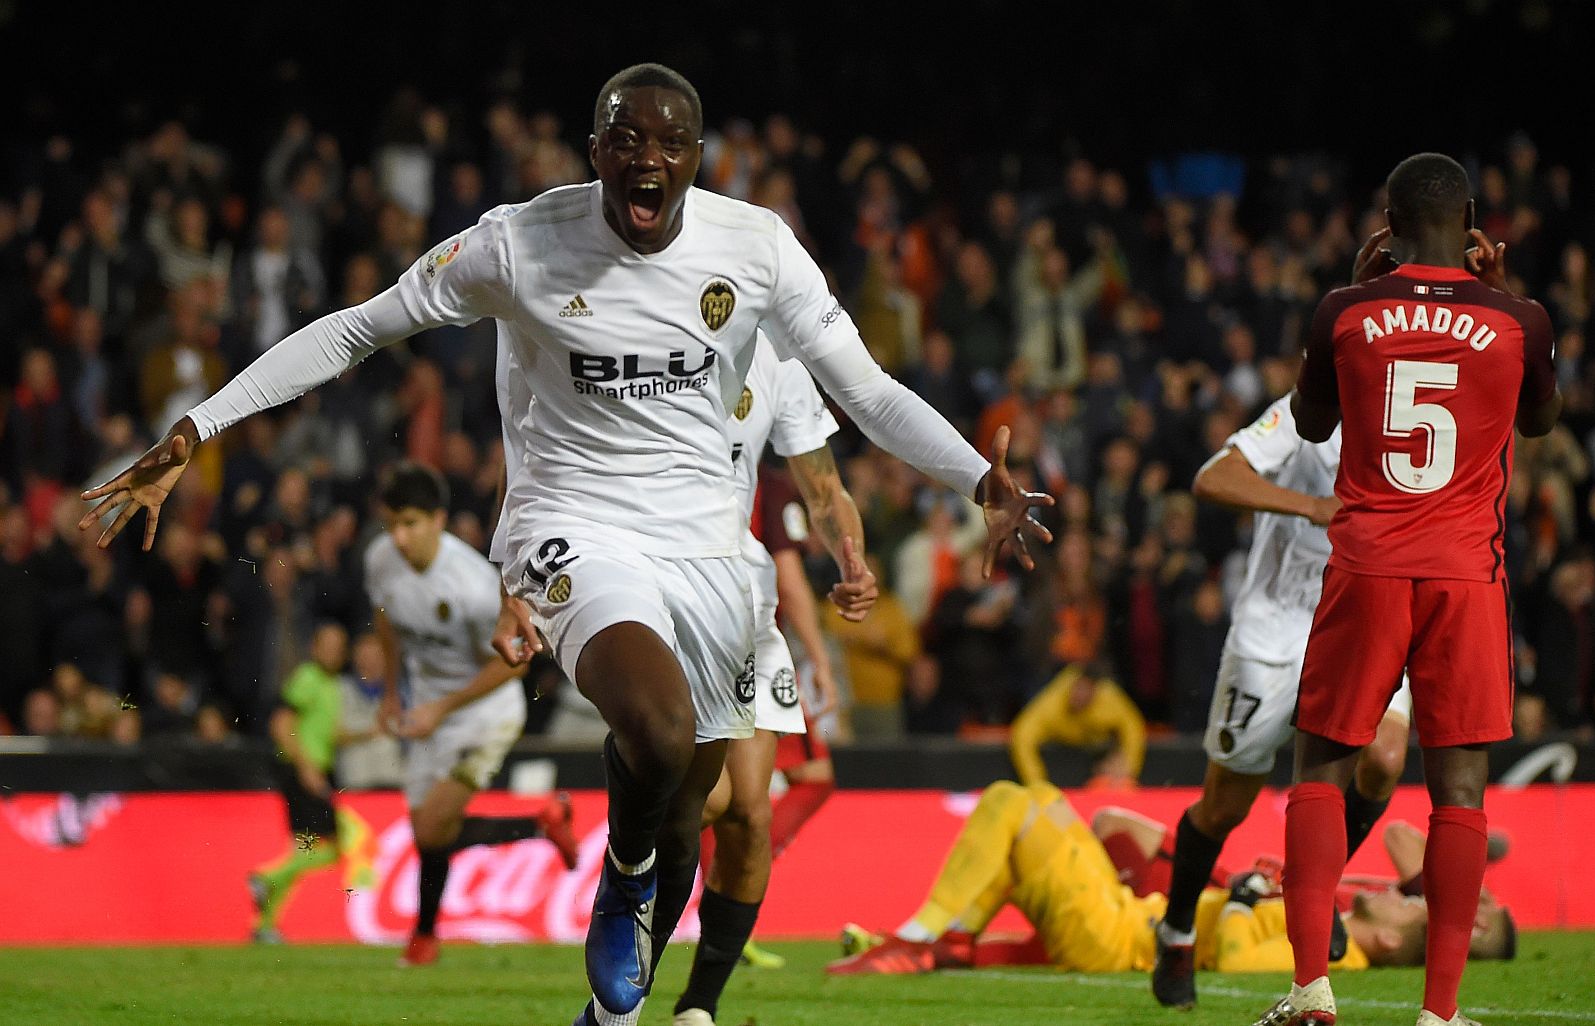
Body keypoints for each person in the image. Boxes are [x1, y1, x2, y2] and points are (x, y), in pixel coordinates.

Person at [80, 63, 1050, 1026]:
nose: (648, 160)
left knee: (686, 819)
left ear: (696, 159)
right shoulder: (517, 243)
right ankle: (619, 882)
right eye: (626, 140)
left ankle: (615, 1014)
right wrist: (196, 430)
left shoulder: (755, 250)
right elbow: (355, 331)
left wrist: (977, 479)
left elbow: (869, 391)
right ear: (597, 153)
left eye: (670, 144)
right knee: (659, 731)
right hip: (570, 527)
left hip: (710, 553)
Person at [1262, 153, 1560, 1026]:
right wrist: (1503, 294)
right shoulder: (1520, 320)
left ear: (1385, 227)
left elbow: (1312, 422)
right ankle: (1439, 1014)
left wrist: (1351, 296)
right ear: (1472, 225)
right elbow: (1539, 420)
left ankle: (1312, 990)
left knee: (1322, 765)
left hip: (1366, 564)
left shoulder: (1345, 311)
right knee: (1459, 788)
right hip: (1467, 575)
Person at [1151, 392, 1416, 1009]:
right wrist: (1312, 506)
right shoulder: (1310, 411)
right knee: (1224, 804)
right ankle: (1178, 929)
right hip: (1274, 631)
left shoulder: (1413, 408)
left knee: (1384, 757)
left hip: (1359, 621)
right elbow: (1214, 477)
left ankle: (1310, 887)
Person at [671, 332, 866, 1026]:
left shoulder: (778, 379)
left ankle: (699, 1004)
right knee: (712, 801)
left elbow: (825, 494)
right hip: (669, 604)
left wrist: (853, 562)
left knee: (750, 813)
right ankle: (634, 910)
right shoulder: (653, 349)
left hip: (751, 617)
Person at [825, 781, 1423, 979]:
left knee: (1014, 803)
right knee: (1034, 800)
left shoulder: (1342, 961)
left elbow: (1240, 962)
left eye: (1407, 909)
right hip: (1125, 917)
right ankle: (943, 945)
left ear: (1393, 942)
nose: (1397, 896)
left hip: (1119, 939)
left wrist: (1240, 902)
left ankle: (923, 936)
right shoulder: (1336, 921)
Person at [365, 463, 578, 967]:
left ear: (439, 519)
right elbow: (386, 622)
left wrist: (442, 707)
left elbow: (514, 667)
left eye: (411, 523)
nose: (399, 537)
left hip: (485, 710)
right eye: (391, 524)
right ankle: (426, 936)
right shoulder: (379, 560)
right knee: (428, 829)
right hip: (428, 708)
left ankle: (424, 935)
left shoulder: (475, 586)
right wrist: (393, 694)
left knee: (433, 826)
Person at [1091, 807, 1517, 963]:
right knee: (1111, 825)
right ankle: (1120, 908)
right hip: (1242, 883)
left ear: (1477, 928)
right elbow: (1397, 833)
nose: (1482, 898)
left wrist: (1464, 878)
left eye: (1486, 906)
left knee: (1112, 827)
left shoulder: (1410, 917)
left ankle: (1125, 912)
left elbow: (1400, 838)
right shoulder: (1407, 904)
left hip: (1233, 899)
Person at [248, 622, 358, 943]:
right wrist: (306, 767)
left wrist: (374, 731)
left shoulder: (329, 684)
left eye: (339, 647)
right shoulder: (308, 679)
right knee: (335, 847)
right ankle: (266, 877)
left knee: (300, 851)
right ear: (314, 647)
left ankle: (265, 926)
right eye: (328, 645)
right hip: (302, 772)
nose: (334, 652)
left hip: (308, 770)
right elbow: (281, 724)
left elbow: (330, 734)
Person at [1009, 663, 1146, 788]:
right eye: (1078, 688)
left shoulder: (1108, 698)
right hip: (1061, 753)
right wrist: (1037, 783)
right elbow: (1022, 737)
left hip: (1100, 753)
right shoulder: (1051, 704)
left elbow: (1133, 727)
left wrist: (1130, 767)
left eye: (1086, 690)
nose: (1080, 695)